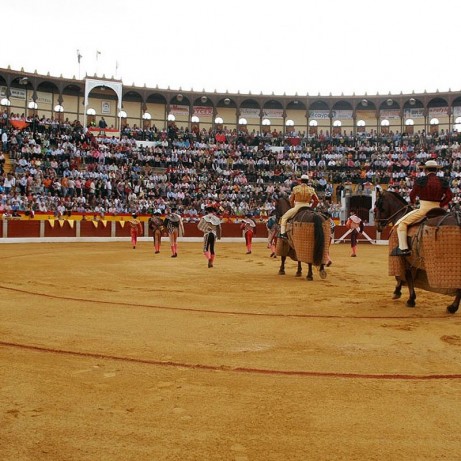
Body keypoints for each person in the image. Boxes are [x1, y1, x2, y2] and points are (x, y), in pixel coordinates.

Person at [391, 159, 453, 256]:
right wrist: (440, 204)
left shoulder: (421, 180)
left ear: (425, 170)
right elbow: (450, 196)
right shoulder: (443, 181)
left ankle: (403, 249)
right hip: (438, 210)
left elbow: (412, 195)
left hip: (424, 209)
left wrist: (413, 203)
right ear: (436, 170)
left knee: (402, 224)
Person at [279, 174, 319, 239]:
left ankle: (282, 234)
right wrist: (311, 208)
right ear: (307, 181)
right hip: (308, 207)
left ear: (300, 181)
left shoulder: (296, 188)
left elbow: (291, 200)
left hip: (297, 207)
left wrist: (293, 207)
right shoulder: (311, 189)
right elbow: (317, 201)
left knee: (284, 218)